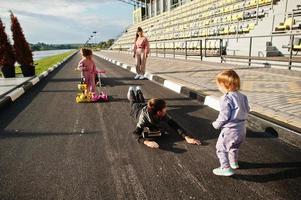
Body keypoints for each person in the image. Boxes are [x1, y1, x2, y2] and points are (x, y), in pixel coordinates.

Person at [127, 86, 201, 149]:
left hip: (145, 106)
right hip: (136, 109)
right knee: (133, 101)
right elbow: (135, 133)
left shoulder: (162, 114)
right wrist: (146, 142)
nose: (166, 109)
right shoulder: (143, 118)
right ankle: (131, 91)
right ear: (159, 112)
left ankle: (138, 90)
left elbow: (174, 124)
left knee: (142, 100)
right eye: (164, 108)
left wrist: (186, 137)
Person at [212, 69, 250, 176]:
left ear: (225, 85)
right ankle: (233, 163)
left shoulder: (225, 98)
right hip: (242, 129)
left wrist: (216, 124)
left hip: (230, 129)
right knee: (234, 147)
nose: (218, 87)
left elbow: (224, 116)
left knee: (221, 148)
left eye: (219, 85)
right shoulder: (243, 96)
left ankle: (225, 168)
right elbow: (247, 109)